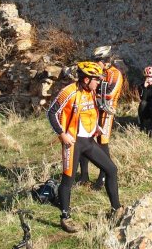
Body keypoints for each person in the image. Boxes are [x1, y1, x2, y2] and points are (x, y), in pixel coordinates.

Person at [47, 61, 122, 233]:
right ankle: (65, 217)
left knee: (111, 169)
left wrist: (96, 126)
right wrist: (61, 134)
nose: (99, 82)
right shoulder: (69, 91)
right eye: (96, 79)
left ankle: (116, 209)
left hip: (88, 141)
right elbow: (51, 112)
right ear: (86, 79)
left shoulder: (91, 91)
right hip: (72, 142)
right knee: (68, 179)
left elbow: (91, 111)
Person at [77, 46, 124, 191]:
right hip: (92, 110)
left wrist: (91, 92)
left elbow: (109, 94)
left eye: (98, 60)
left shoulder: (115, 74)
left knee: (103, 143)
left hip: (106, 112)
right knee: (84, 139)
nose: (96, 63)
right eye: (95, 60)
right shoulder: (99, 72)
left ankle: (102, 177)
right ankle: (84, 175)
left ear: (106, 60)